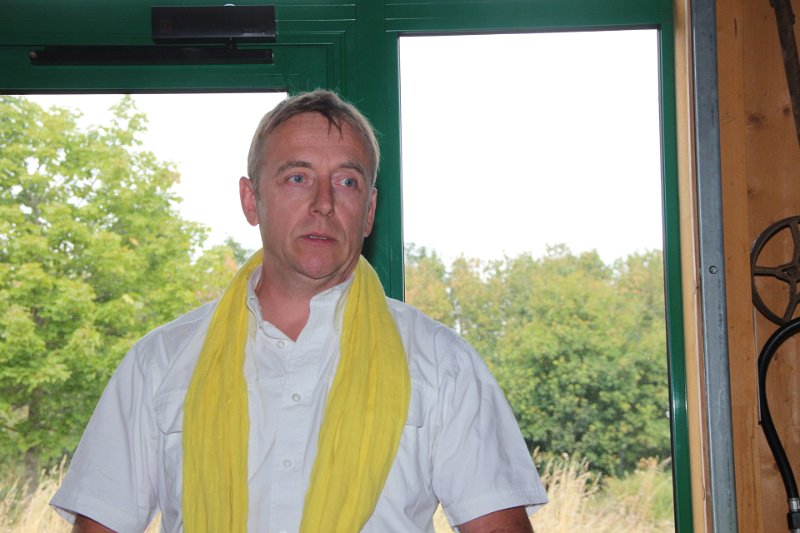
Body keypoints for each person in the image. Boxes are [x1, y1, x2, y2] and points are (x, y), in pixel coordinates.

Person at [51, 89, 547, 533]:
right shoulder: (158, 362)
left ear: (370, 211)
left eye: (347, 182)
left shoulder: (442, 364)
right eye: (297, 177)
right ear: (251, 200)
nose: (323, 203)